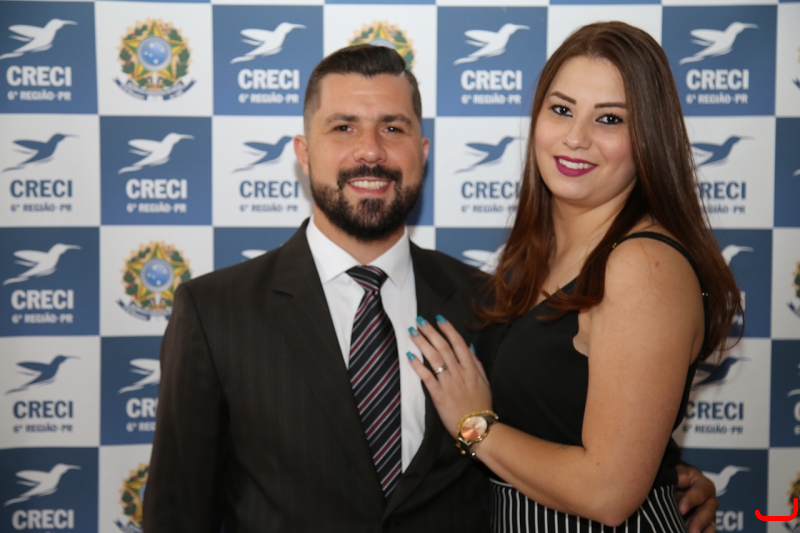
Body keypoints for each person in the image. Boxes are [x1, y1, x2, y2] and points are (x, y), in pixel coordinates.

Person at [144, 44, 719, 532]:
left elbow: (582, 441)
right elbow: (177, 511)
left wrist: (657, 479)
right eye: (343, 127)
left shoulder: (489, 302)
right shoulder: (215, 312)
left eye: (393, 128)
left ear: (421, 153)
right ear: (303, 153)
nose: (370, 150)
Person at [406, 22, 740, 533]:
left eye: (610, 119)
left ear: (648, 138)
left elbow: (608, 494)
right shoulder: (539, 255)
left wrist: (474, 427)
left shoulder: (641, 266)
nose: (576, 137)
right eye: (561, 110)